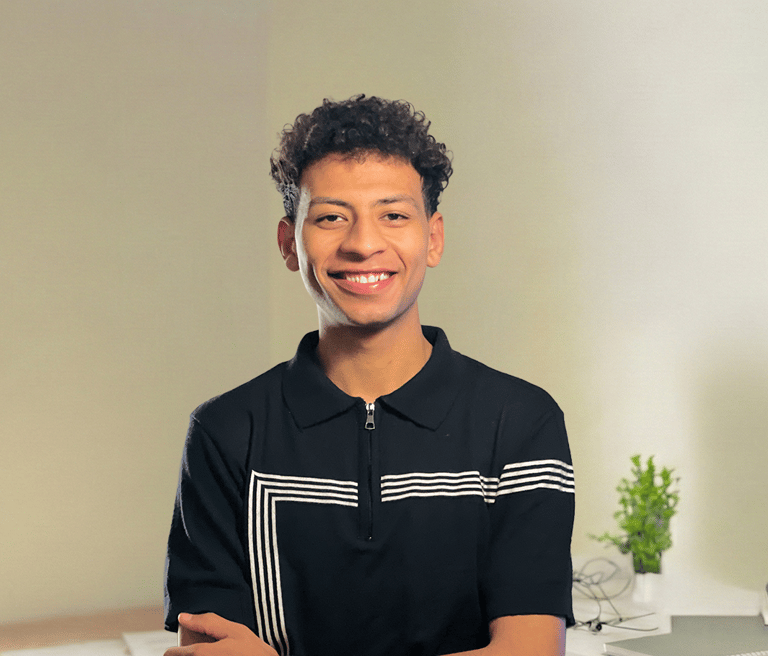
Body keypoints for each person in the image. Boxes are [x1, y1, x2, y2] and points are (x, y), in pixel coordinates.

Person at [163, 94, 575, 656]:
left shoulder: (521, 422)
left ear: (433, 238)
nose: (362, 244)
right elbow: (208, 648)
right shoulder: (226, 431)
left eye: (393, 215)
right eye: (331, 217)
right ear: (289, 244)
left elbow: (529, 652)